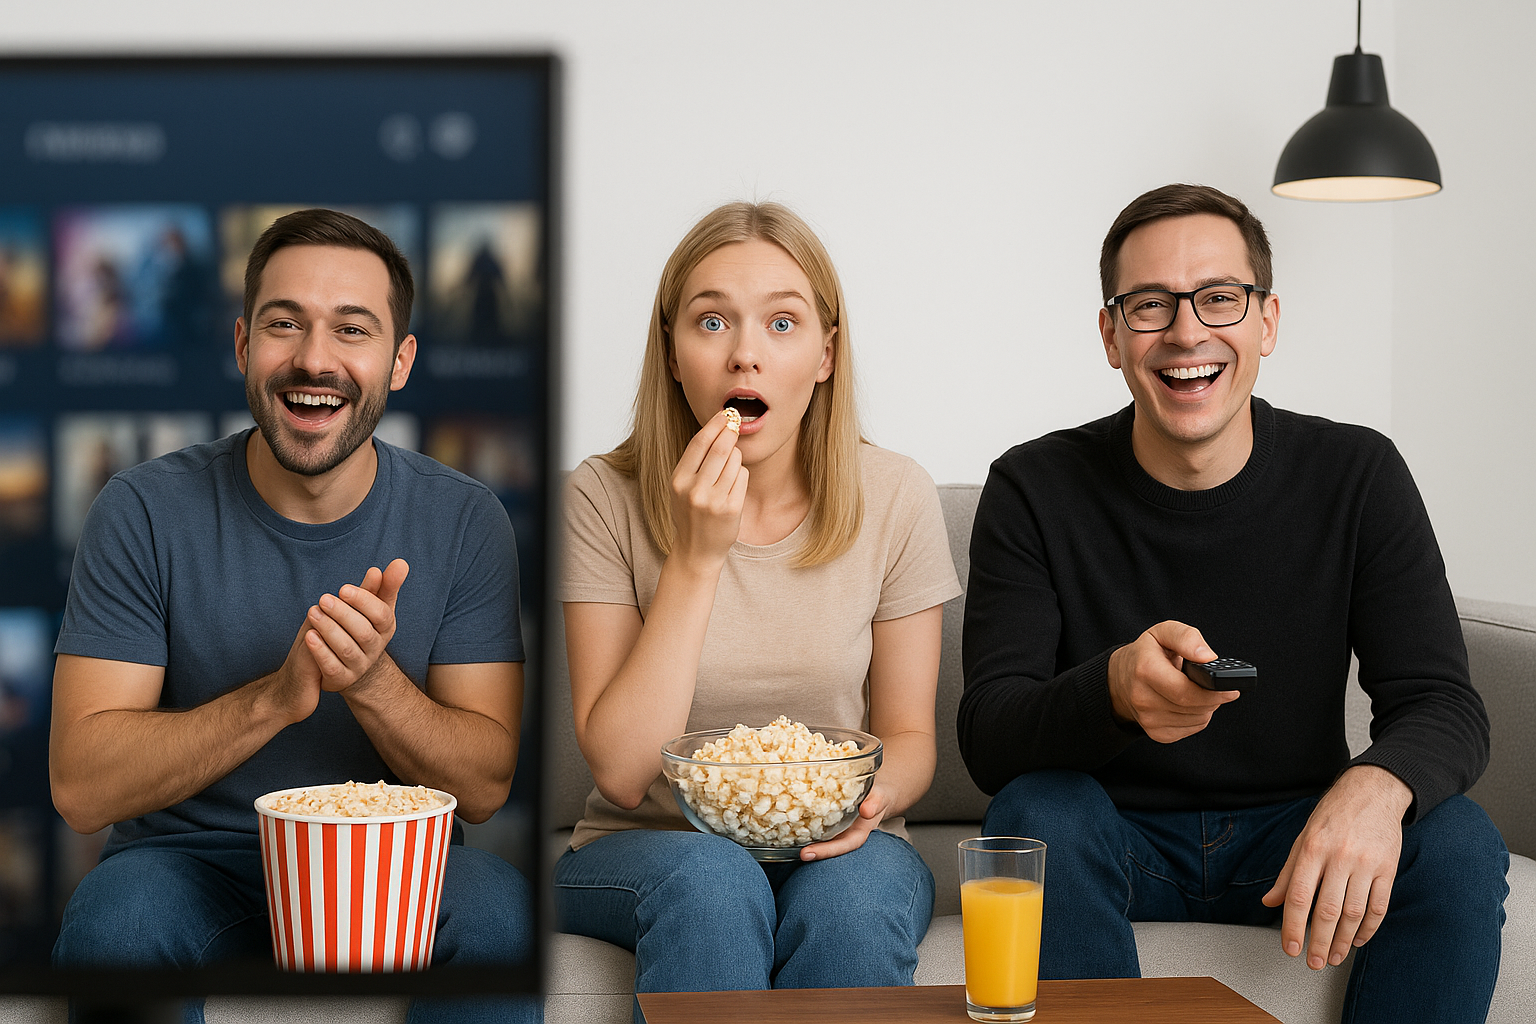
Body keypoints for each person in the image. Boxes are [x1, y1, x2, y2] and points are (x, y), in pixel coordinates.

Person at [958, 183, 1509, 1024]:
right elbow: (990, 736)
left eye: (1219, 298)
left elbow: (1442, 703)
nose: (1187, 332)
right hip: (1113, 839)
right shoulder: (1032, 487)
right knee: (1038, 812)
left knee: (1461, 838)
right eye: (1150, 305)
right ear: (1111, 336)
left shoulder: (1357, 475)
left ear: (1267, 322)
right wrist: (1110, 691)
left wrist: (1378, 782)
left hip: (1296, 837)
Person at [49, 208, 537, 1024]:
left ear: (400, 361)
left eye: (353, 330)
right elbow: (80, 785)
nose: (315, 360)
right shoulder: (141, 508)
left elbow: (483, 786)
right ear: (243, 344)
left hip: (394, 868)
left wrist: (373, 682)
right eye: (285, 324)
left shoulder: (464, 519)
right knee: (114, 927)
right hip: (185, 866)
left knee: (496, 912)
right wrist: (277, 698)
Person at [555, 201, 961, 1022]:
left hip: (848, 842)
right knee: (713, 879)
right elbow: (624, 774)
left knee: (849, 905)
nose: (745, 353)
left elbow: (910, 736)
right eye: (712, 321)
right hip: (650, 850)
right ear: (672, 352)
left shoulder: (895, 496)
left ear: (825, 355)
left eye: (783, 322)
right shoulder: (601, 496)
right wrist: (697, 558)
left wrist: (868, 806)